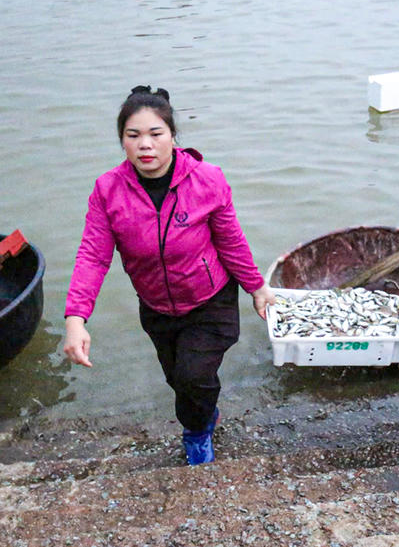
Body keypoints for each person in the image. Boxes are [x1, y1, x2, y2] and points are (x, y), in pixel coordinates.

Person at [63, 86, 275, 466]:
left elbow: (231, 241)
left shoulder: (207, 180)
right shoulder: (108, 191)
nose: (145, 145)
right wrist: (76, 319)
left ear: (173, 137)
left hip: (211, 300)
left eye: (155, 134)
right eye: (133, 135)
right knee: (178, 380)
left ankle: (196, 435)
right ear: (122, 142)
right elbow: (92, 257)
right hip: (157, 306)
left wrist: (256, 287)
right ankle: (205, 413)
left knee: (194, 377)